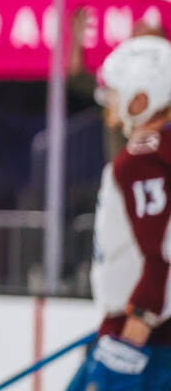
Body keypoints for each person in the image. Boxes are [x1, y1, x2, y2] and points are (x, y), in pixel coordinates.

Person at [68, 36, 171, 390]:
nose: (107, 101)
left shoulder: (142, 158)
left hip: (146, 338)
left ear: (141, 97)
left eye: (113, 91)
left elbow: (160, 254)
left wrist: (132, 332)